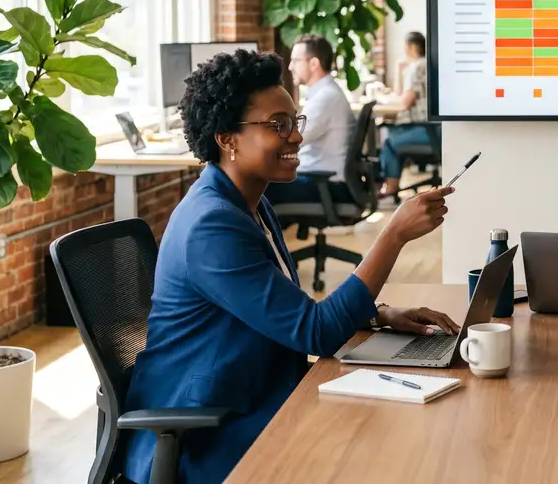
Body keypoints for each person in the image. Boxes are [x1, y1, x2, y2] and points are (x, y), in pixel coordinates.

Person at [122, 50, 458, 483]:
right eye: (278, 125)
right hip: (208, 433)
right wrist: (392, 234)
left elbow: (286, 312)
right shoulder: (211, 226)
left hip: (251, 394)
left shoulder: (249, 203)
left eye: (294, 121)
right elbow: (316, 333)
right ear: (227, 139)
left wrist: (378, 314)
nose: (296, 136)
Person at [264, 36, 354, 206]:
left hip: (327, 185)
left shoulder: (325, 98)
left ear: (314, 64)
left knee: (258, 184)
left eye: (295, 61)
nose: (290, 67)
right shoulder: (325, 93)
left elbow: (289, 140)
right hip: (321, 179)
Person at [380, 31, 432, 198]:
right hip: (431, 128)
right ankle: (391, 186)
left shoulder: (418, 67)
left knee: (389, 141)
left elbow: (405, 102)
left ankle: (390, 188)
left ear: (412, 47)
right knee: (393, 137)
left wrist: (383, 99)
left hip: (425, 129)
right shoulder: (424, 64)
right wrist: (398, 70)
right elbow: (401, 93)